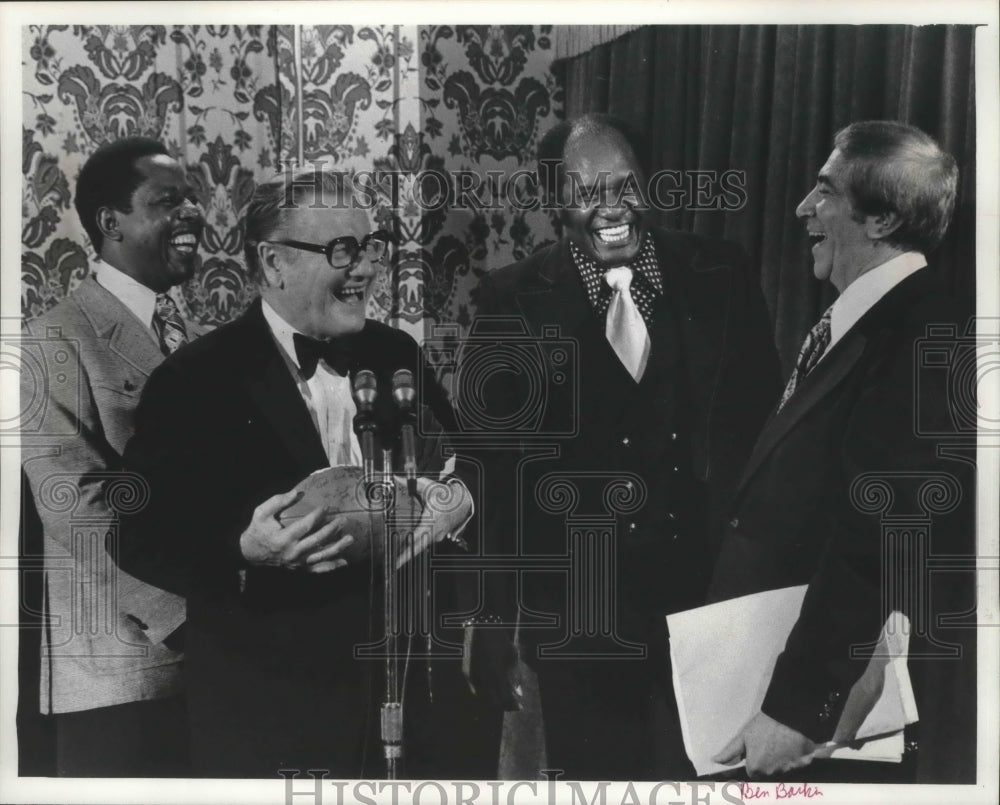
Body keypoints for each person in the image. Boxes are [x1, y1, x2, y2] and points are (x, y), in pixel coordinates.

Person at [115, 168, 482, 778]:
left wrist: (459, 499)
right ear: (273, 263)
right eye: (342, 250)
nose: (364, 268)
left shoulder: (397, 354)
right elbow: (134, 534)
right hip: (270, 713)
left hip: (409, 693)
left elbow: (465, 462)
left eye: (370, 246)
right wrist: (242, 550)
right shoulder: (194, 380)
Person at [462, 113, 781, 780]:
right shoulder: (511, 301)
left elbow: (763, 434)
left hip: (710, 604)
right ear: (556, 204)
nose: (612, 207)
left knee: (713, 782)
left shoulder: (719, 273)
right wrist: (491, 618)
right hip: (581, 623)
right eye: (587, 191)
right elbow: (491, 475)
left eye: (625, 184)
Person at [709, 121, 976, 783]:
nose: (803, 207)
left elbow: (879, 534)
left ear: (881, 218)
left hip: (835, 711)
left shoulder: (924, 331)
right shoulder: (861, 321)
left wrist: (801, 706)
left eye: (824, 191)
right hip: (772, 669)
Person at [19, 137, 205, 776]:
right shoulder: (54, 339)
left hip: (214, 662)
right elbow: (76, 505)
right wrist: (184, 622)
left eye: (192, 198)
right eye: (167, 201)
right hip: (120, 670)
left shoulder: (198, 337)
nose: (192, 213)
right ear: (111, 222)